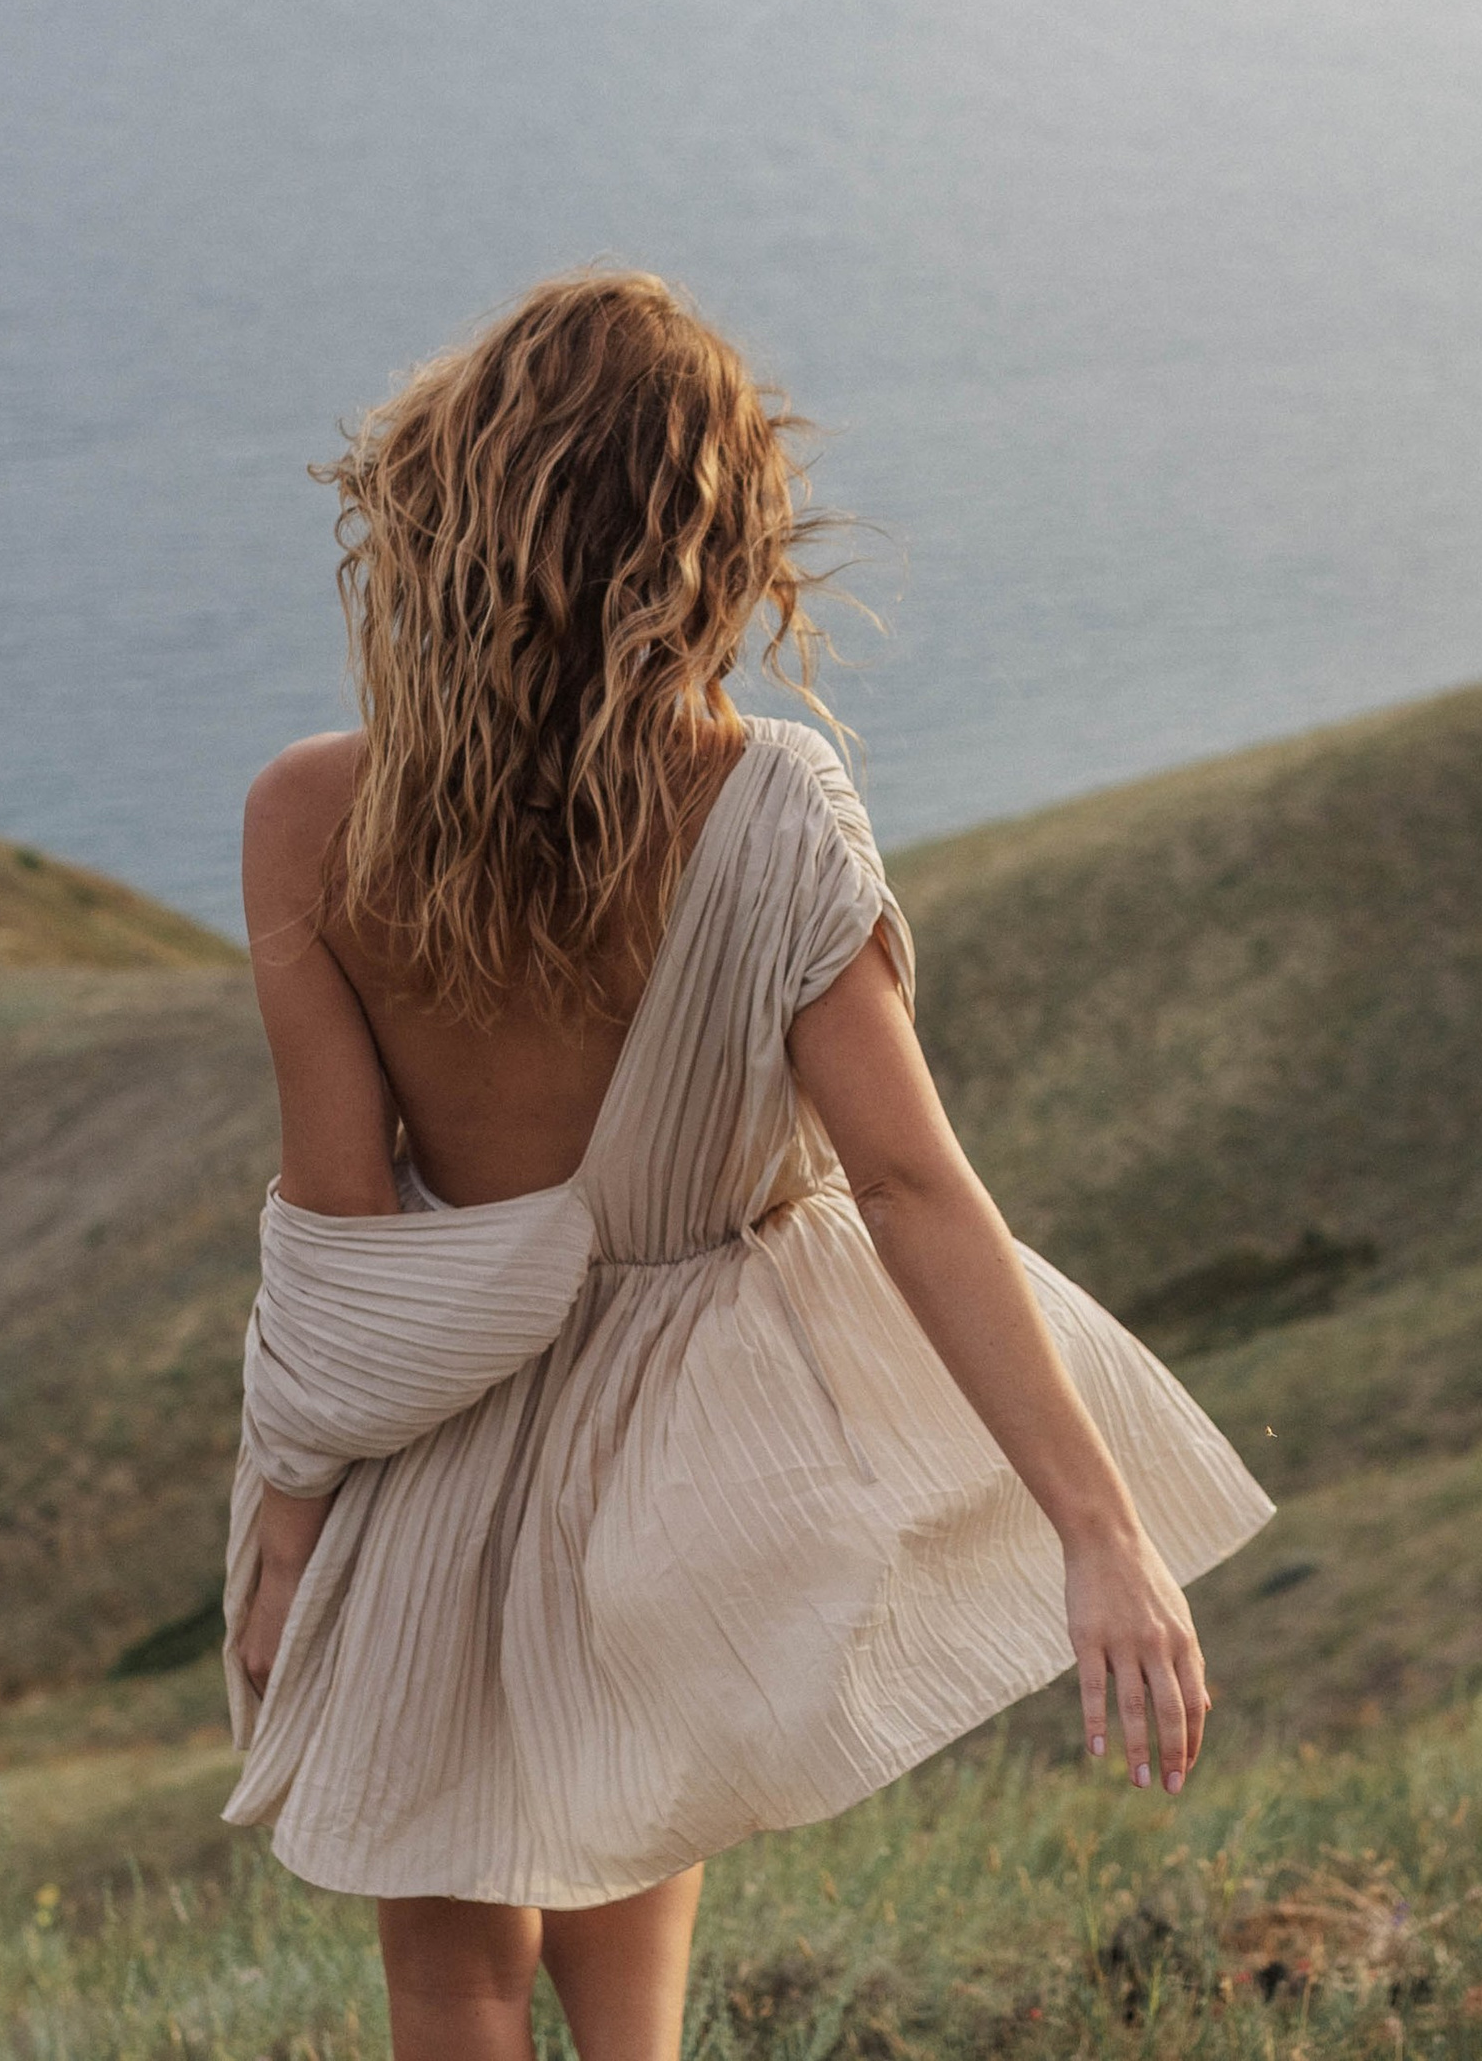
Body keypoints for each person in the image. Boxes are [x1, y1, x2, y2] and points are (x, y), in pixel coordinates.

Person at [226, 271, 1270, 2061]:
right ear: (709, 538)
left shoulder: (311, 815)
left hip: (438, 1442)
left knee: (452, 1972)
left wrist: (287, 1523)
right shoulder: (771, 804)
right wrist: (1097, 1526)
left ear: (449, 509)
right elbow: (914, 1185)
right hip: (687, 1453)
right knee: (632, 1992)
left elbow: (342, 1230)